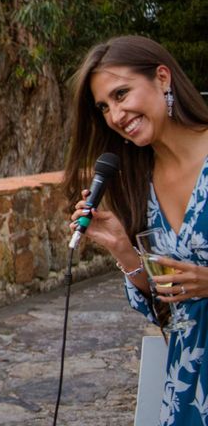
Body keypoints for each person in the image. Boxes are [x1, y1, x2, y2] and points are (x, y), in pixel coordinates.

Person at [64, 35, 208, 424]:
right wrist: (124, 249)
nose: (114, 115)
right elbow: (162, 307)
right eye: (104, 107)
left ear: (162, 78)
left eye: (122, 93)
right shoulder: (139, 184)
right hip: (188, 383)